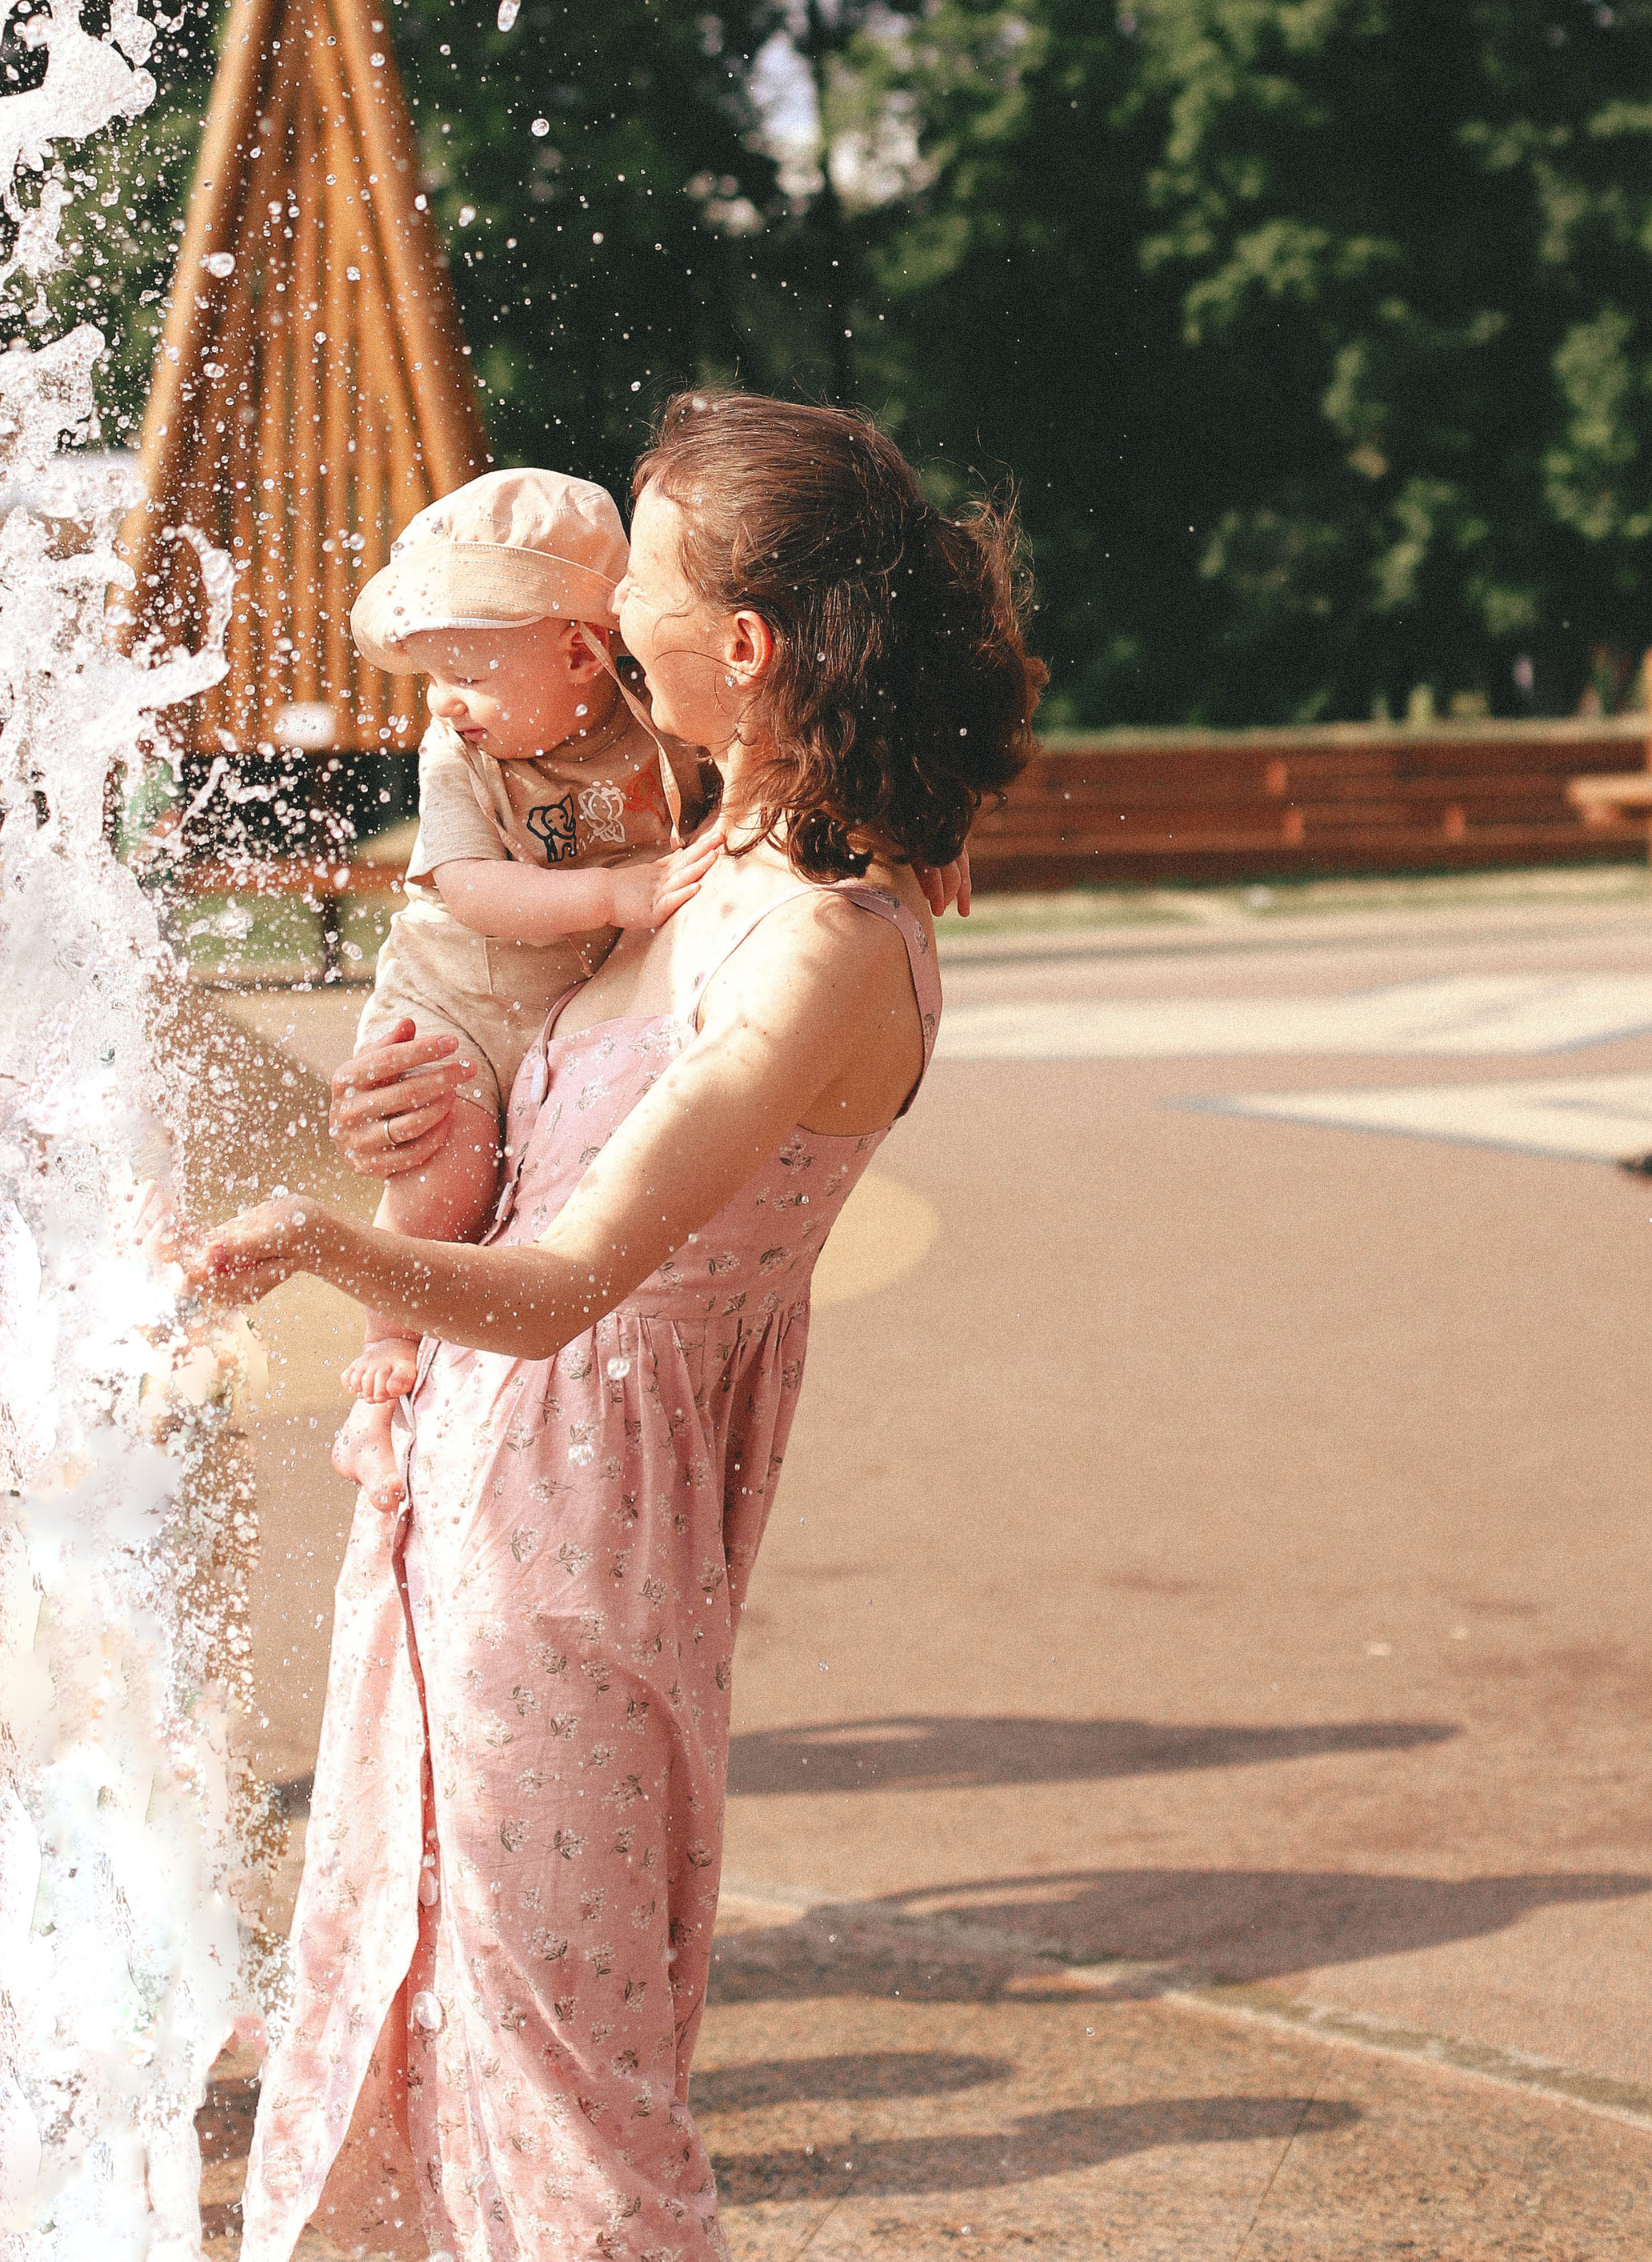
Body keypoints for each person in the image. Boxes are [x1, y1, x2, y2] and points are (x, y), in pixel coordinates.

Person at [183, 390, 1043, 2262]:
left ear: (734, 646)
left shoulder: (818, 936)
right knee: (436, 2005)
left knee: (569, 2073)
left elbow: (577, 1289)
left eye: (634, 573)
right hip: (475, 1497)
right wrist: (429, 1141)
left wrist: (319, 1245)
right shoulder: (698, 873)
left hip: (579, 1529)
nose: (602, 602)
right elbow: (528, 1188)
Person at [331, 466, 722, 1514]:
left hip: (568, 1019)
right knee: (443, 1161)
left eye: (466, 669)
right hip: (452, 1001)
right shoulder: (459, 754)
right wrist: (614, 893)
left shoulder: (658, 719)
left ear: (581, 648)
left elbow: (763, 775)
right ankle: (384, 1352)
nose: (446, 701)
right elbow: (468, 888)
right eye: (428, 676)